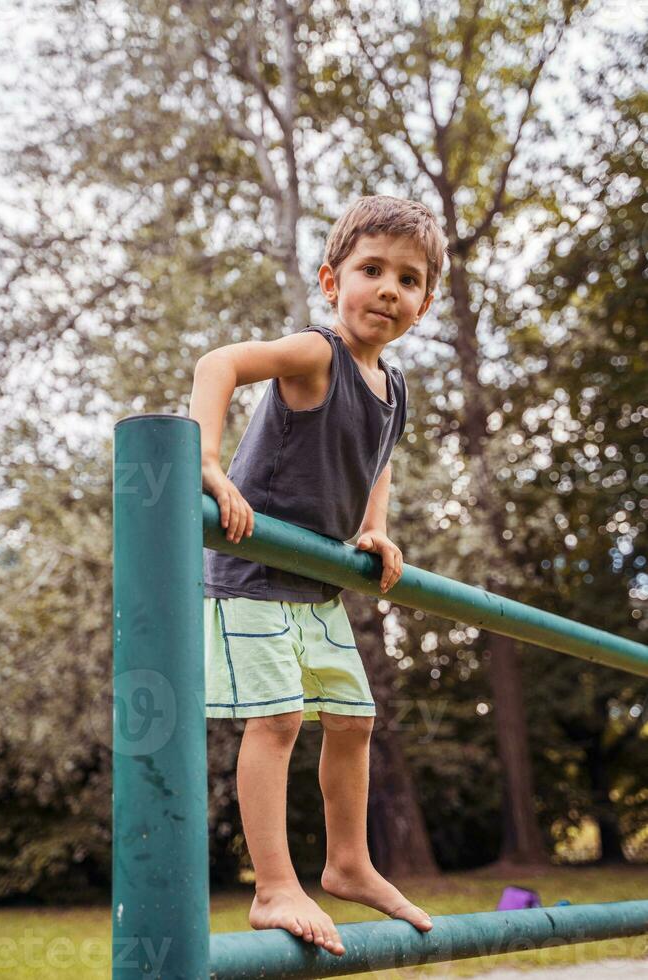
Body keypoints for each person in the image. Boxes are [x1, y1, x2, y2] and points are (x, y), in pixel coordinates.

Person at [189, 194, 447, 957]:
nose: (390, 289)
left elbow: (379, 460)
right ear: (333, 282)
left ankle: (348, 862)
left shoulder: (393, 390)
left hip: (316, 583)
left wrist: (376, 528)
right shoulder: (316, 353)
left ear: (424, 305)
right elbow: (219, 363)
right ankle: (273, 886)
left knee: (356, 720)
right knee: (276, 723)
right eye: (373, 270)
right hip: (255, 566)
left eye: (408, 279)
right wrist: (205, 460)